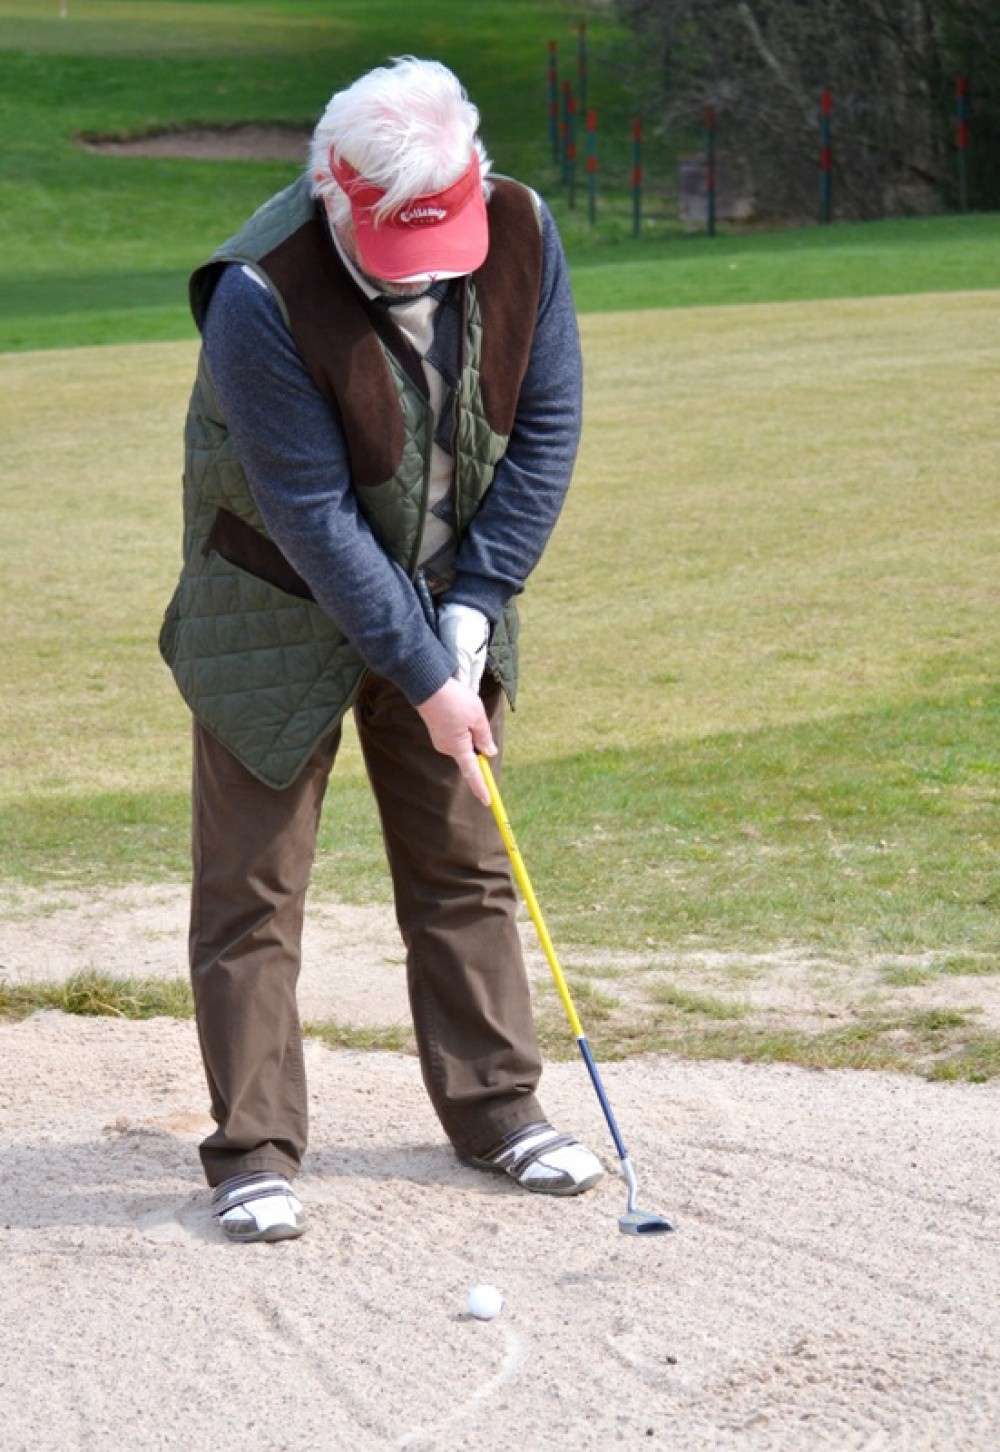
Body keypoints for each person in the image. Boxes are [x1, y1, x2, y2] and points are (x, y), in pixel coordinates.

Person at [160, 55, 601, 1243]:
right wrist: (425, 677)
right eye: (398, 241)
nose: (428, 268)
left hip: (446, 589)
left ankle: (497, 1111)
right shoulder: (258, 293)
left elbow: (546, 425)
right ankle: (253, 1150)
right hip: (270, 604)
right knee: (252, 890)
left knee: (465, 861)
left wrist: (477, 602)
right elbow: (311, 515)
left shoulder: (520, 230)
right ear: (331, 187)